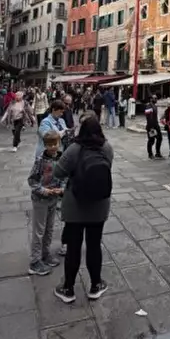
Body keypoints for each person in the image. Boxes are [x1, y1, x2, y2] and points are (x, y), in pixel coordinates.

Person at [53, 116, 113, 304]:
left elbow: (58, 172)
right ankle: (96, 285)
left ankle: (68, 288)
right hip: (99, 204)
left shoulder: (74, 149)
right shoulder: (106, 147)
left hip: (75, 205)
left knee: (73, 247)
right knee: (94, 245)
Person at [28, 130, 64, 275]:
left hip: (54, 198)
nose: (53, 147)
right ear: (45, 145)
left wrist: (62, 189)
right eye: (49, 145)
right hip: (41, 199)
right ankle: (34, 261)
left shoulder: (61, 159)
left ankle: (45, 254)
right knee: (39, 230)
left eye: (55, 144)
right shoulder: (40, 160)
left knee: (49, 229)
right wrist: (44, 190)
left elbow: (64, 176)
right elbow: (32, 180)